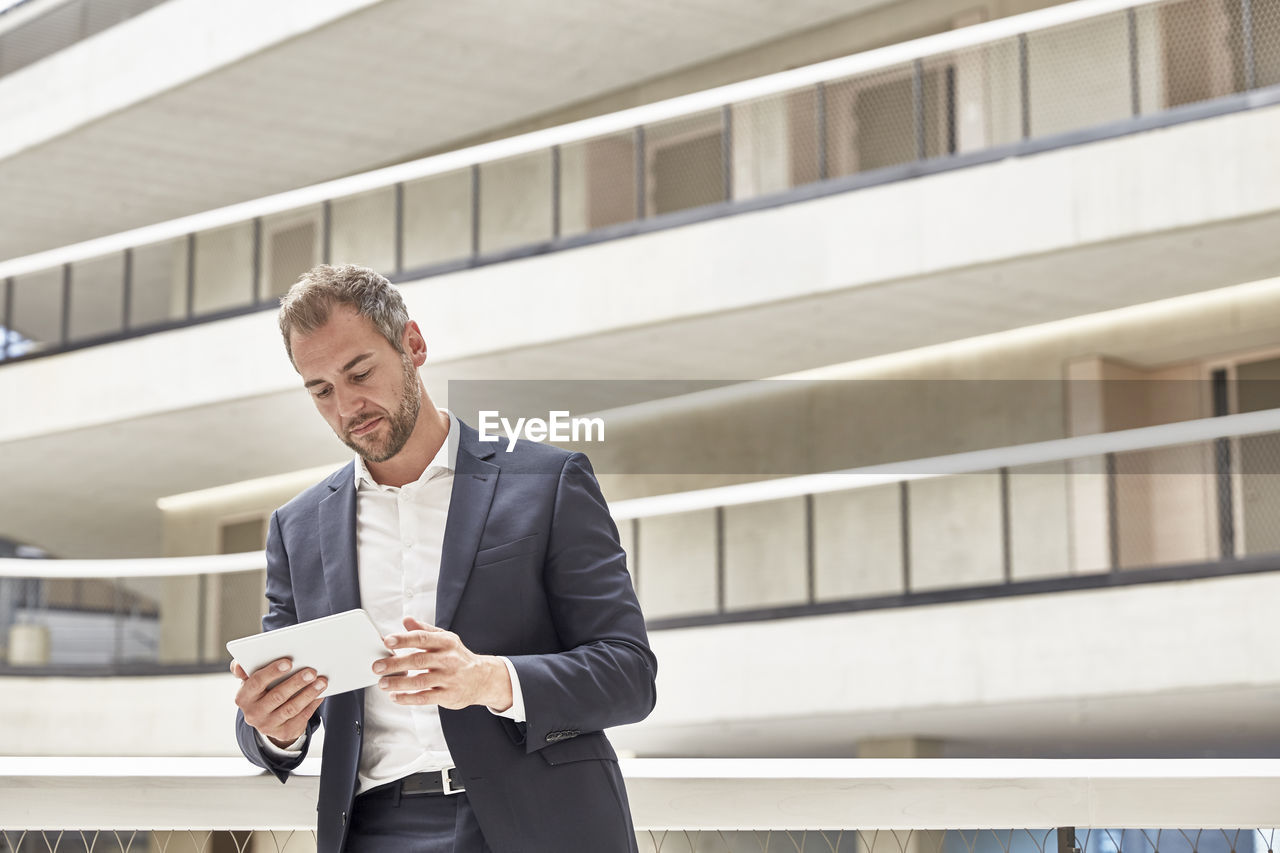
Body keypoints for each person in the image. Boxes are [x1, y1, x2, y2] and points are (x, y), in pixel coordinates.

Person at [231, 264, 657, 853]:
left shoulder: (548, 482)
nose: (348, 405)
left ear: (413, 344)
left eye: (360, 372)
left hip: (547, 824)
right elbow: (277, 705)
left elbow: (629, 674)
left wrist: (488, 679)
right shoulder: (296, 528)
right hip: (377, 831)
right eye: (322, 390)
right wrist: (273, 728)